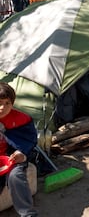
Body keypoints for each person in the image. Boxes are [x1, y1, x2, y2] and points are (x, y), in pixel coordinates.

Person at [0, 82, 38, 217]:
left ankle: (28, 214)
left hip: (12, 158)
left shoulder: (21, 119)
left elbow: (29, 139)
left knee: (16, 177)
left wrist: (21, 152)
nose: (2, 107)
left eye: (7, 103)